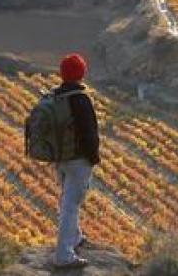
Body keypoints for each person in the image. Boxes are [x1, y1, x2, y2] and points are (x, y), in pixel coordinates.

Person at [53, 53, 101, 269]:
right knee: (71, 205)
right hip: (78, 160)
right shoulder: (80, 99)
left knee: (67, 199)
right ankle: (64, 254)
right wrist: (93, 158)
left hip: (61, 157)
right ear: (81, 73)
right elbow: (89, 133)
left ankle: (75, 237)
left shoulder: (56, 97)